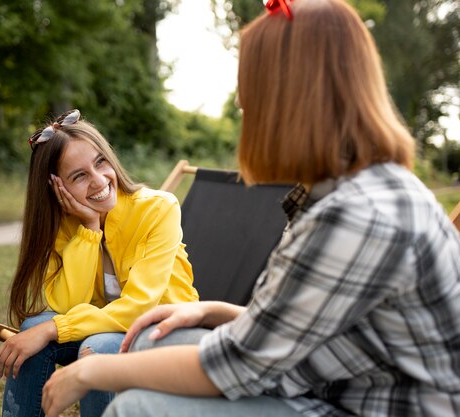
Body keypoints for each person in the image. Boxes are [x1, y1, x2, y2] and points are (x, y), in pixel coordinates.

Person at [40, 1, 460, 416]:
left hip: (365, 404)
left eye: (251, 89)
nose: (241, 102)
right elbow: (308, 320)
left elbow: (239, 366)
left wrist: (92, 372)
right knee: (151, 341)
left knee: (138, 407)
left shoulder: (356, 214)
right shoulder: (350, 190)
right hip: (331, 376)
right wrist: (216, 310)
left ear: (294, 101)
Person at [0, 109, 199, 417]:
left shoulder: (158, 209)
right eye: (79, 176)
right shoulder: (63, 225)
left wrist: (53, 329)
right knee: (34, 327)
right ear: (56, 188)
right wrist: (89, 230)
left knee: (94, 346)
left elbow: (140, 307)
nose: (99, 180)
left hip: (165, 335)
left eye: (100, 162)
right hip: (104, 332)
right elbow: (65, 303)